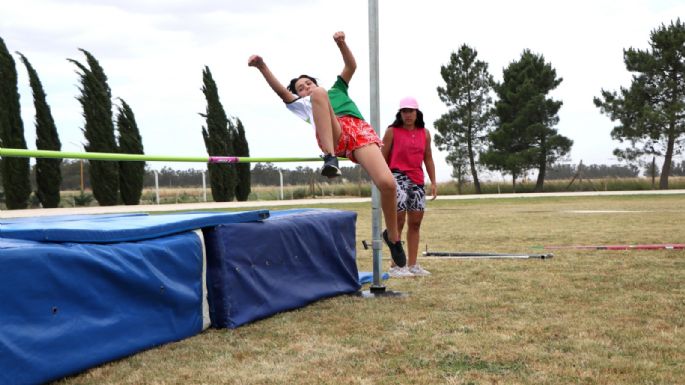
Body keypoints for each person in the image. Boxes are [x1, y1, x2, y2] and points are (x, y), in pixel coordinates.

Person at [248, 31, 407, 268]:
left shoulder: (337, 90)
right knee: (319, 97)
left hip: (359, 133)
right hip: (334, 134)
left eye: (308, 83)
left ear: (315, 81)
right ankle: (330, 158)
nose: (306, 88)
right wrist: (262, 66)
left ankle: (393, 238)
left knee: (387, 184)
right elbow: (282, 91)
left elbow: (351, 66)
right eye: (301, 88)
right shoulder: (305, 104)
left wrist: (341, 43)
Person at [382, 97, 437, 277]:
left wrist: (433, 182)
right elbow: (382, 158)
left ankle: (412, 265)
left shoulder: (425, 133)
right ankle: (396, 266)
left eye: (411, 111)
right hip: (396, 178)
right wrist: (381, 180)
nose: (408, 114)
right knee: (397, 222)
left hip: (417, 179)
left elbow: (428, 157)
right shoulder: (392, 131)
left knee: (415, 223)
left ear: (417, 113)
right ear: (400, 113)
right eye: (404, 111)